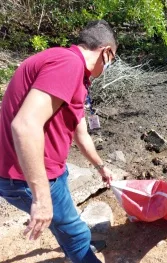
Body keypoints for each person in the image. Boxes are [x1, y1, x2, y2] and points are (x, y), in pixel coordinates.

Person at [0, 20, 118, 263]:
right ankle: (79, 248)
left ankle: (77, 241)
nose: (109, 67)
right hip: (24, 174)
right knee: (73, 229)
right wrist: (41, 199)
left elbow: (80, 133)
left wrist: (100, 166)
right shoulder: (67, 64)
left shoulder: (74, 72)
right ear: (106, 52)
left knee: (67, 221)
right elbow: (25, 125)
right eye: (112, 60)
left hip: (52, 169)